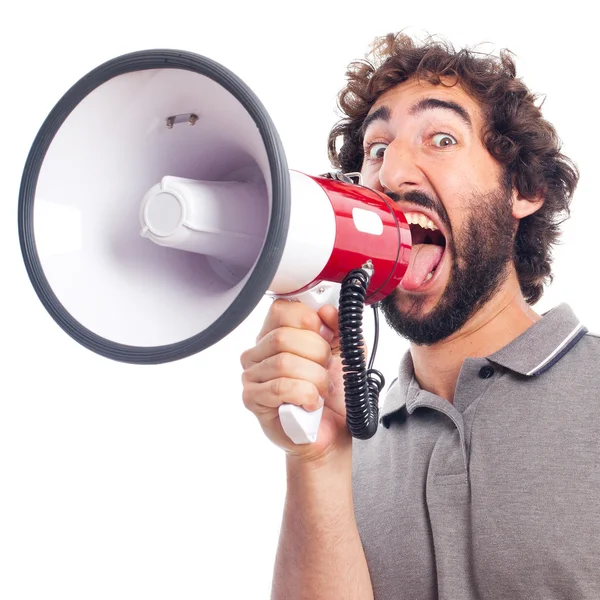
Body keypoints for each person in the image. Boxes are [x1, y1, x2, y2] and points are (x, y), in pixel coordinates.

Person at [240, 32, 600, 600]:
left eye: (440, 138)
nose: (391, 175)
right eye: (376, 150)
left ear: (524, 189)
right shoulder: (357, 438)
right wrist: (318, 460)